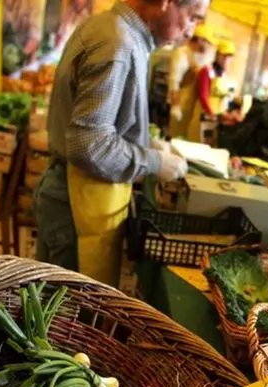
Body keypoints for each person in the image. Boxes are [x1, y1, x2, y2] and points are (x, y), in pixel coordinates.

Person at [35, 0, 208, 286]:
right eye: (192, 17)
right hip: (75, 206)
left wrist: (147, 142)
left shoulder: (113, 29)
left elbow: (103, 121)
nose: (191, 31)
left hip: (82, 198)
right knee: (62, 317)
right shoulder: (117, 43)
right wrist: (153, 162)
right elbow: (88, 142)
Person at [167, 24, 215, 139]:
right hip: (182, 100)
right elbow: (173, 81)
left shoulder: (205, 56)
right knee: (177, 134)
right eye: (207, 42)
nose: (209, 46)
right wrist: (175, 105)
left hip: (196, 103)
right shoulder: (182, 54)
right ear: (199, 40)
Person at [187, 40, 236, 143]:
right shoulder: (206, 71)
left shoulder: (225, 76)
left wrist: (227, 114)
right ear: (217, 55)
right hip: (203, 117)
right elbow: (203, 96)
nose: (226, 60)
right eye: (224, 56)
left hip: (217, 120)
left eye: (230, 57)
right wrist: (212, 114)